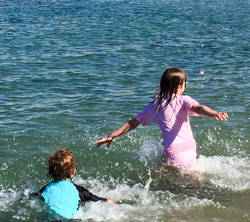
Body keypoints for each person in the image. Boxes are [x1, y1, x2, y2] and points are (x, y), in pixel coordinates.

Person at [96, 67, 228, 170]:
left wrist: (112, 135)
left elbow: (132, 123)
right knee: (186, 173)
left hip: (174, 153)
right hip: (190, 150)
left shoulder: (155, 106)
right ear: (180, 86)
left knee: (162, 174)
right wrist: (213, 113)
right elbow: (198, 108)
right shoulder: (184, 100)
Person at [34, 147, 114, 219]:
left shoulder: (45, 189)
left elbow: (32, 198)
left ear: (50, 172)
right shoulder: (79, 190)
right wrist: (112, 203)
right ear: (73, 172)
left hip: (50, 221)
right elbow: (100, 201)